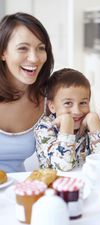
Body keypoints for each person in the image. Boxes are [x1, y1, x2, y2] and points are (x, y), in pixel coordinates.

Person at [0, 12, 54, 172]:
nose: (34, 58)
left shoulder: (48, 101)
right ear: (3, 52)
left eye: (41, 48)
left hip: (19, 190)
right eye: (23, 48)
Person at [34, 68, 100, 171]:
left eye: (83, 103)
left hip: (87, 183)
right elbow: (63, 166)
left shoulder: (89, 123)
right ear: (52, 106)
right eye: (68, 103)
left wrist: (94, 120)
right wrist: (67, 122)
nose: (77, 111)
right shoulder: (44, 128)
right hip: (56, 185)